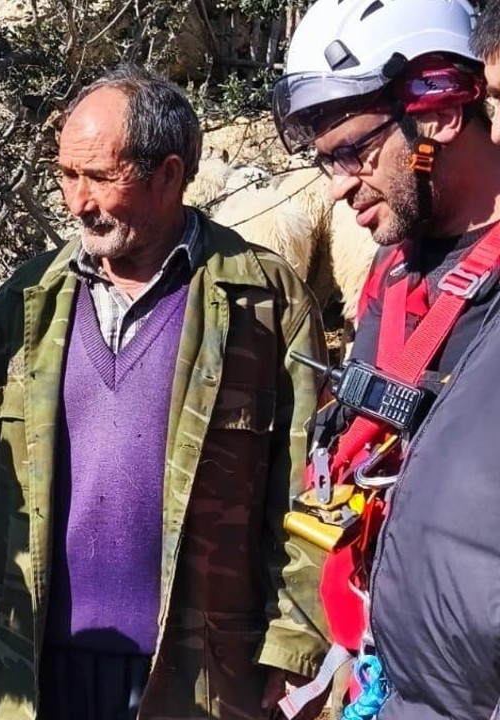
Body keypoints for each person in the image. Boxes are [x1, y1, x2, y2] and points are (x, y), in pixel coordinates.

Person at [0, 63, 330, 720]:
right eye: (65, 175)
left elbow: (312, 495)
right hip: (39, 667)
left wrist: (299, 644)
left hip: (202, 675)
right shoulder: (24, 305)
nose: (77, 201)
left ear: (169, 174)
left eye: (100, 178)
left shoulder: (263, 303)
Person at [270, 0, 500, 712]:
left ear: (438, 112)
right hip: (388, 683)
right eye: (324, 160)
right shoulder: (393, 278)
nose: (337, 185)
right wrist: (320, 652)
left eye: (355, 152)